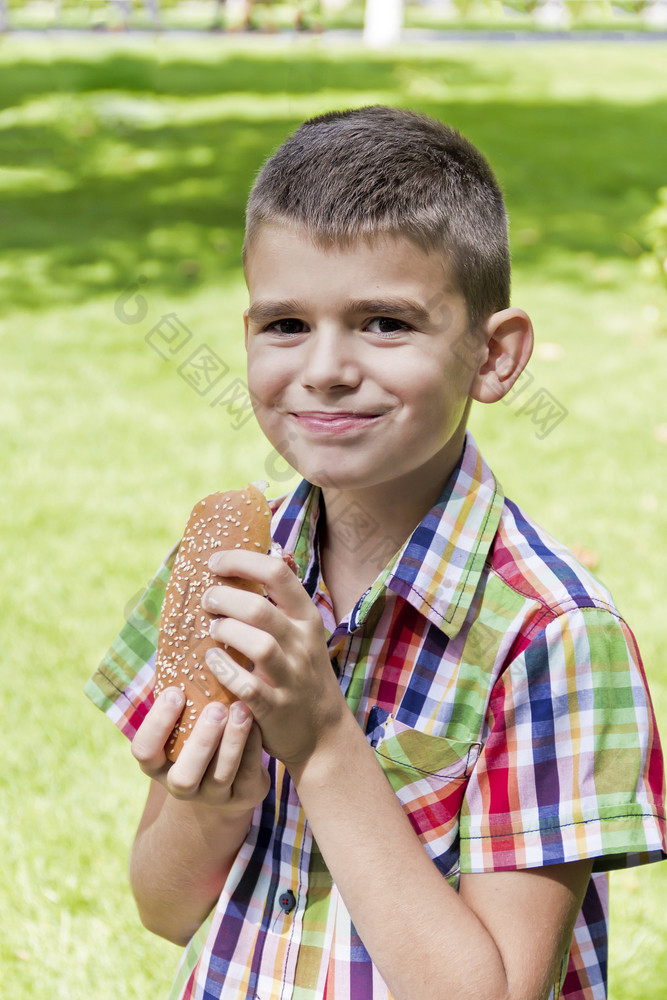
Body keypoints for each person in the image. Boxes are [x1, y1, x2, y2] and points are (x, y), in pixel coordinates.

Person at [86, 106, 666, 1000]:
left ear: (493, 355)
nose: (324, 368)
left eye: (384, 324)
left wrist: (321, 742)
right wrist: (212, 805)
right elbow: (163, 908)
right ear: (247, 337)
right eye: (285, 325)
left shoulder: (551, 637)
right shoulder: (227, 573)